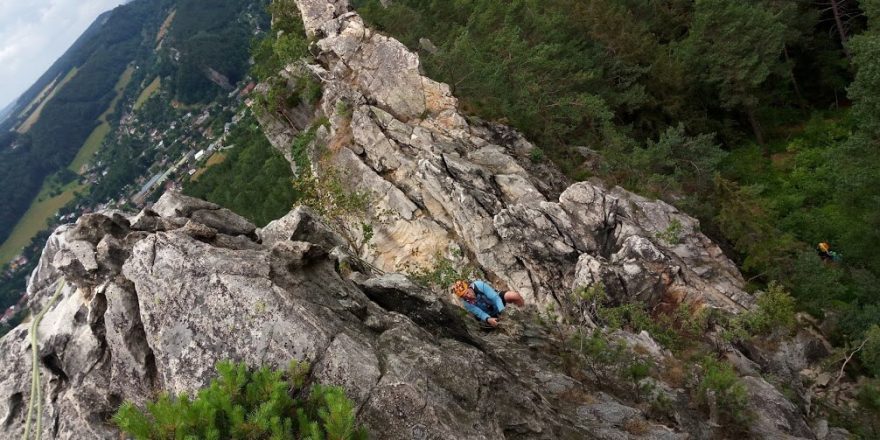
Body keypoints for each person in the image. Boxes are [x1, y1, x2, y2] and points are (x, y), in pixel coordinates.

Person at [452, 279, 524, 327]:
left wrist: (503, 312)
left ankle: (524, 310)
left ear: (468, 287)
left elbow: (496, 298)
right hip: (489, 314)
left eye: (467, 292)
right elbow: (480, 313)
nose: (469, 296)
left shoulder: (479, 285)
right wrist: (488, 319)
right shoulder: (467, 303)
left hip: (497, 302)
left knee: (514, 295)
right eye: (465, 296)